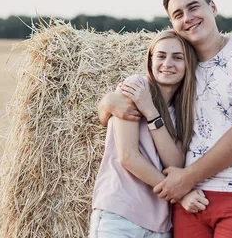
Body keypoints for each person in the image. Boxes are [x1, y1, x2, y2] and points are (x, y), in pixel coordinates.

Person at [99, 0, 232, 238]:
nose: (188, 18)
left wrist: (185, 180)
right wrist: (106, 103)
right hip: (190, 203)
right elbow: (135, 118)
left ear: (213, 7)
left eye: (193, 7)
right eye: (178, 14)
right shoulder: (182, 73)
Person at [90, 30, 210, 238]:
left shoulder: (183, 110)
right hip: (120, 216)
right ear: (150, 60)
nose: (168, 63)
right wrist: (180, 194)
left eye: (178, 57)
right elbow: (129, 157)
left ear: (188, 64)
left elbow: (175, 162)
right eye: (161, 56)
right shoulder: (136, 87)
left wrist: (151, 112)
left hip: (159, 225)